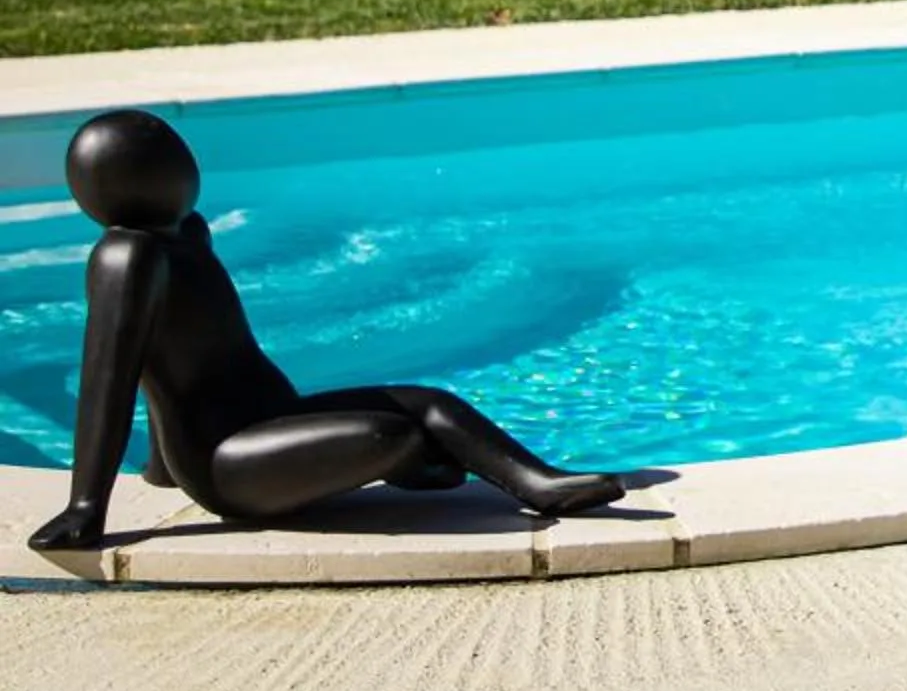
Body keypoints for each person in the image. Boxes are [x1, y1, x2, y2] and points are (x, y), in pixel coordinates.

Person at [27, 109, 625, 554]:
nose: (185, 168)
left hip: (273, 418)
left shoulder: (189, 234)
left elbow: (178, 353)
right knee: (387, 434)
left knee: (430, 404)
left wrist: (158, 469)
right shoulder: (125, 258)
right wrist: (86, 506)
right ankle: (412, 461)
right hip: (226, 464)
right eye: (166, 161)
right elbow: (112, 378)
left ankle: (537, 483)